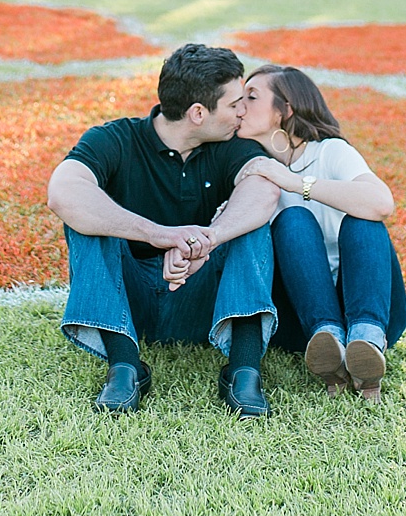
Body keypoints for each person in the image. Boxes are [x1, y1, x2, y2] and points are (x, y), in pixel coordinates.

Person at [47, 43, 297, 417]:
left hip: (202, 303)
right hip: (128, 303)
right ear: (198, 113)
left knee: (250, 223)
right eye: (234, 105)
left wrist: (207, 239)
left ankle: (243, 370)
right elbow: (63, 192)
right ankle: (125, 366)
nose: (243, 111)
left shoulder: (230, 146)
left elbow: (263, 191)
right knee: (86, 218)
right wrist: (157, 234)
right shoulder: (116, 138)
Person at [237, 65, 406, 403]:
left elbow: (381, 202)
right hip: (303, 321)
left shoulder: (329, 151)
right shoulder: (251, 167)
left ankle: (367, 341)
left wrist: (297, 184)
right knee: (294, 220)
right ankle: (329, 343)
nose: (239, 106)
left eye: (251, 97)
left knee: (362, 219)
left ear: (285, 110)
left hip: (370, 304)